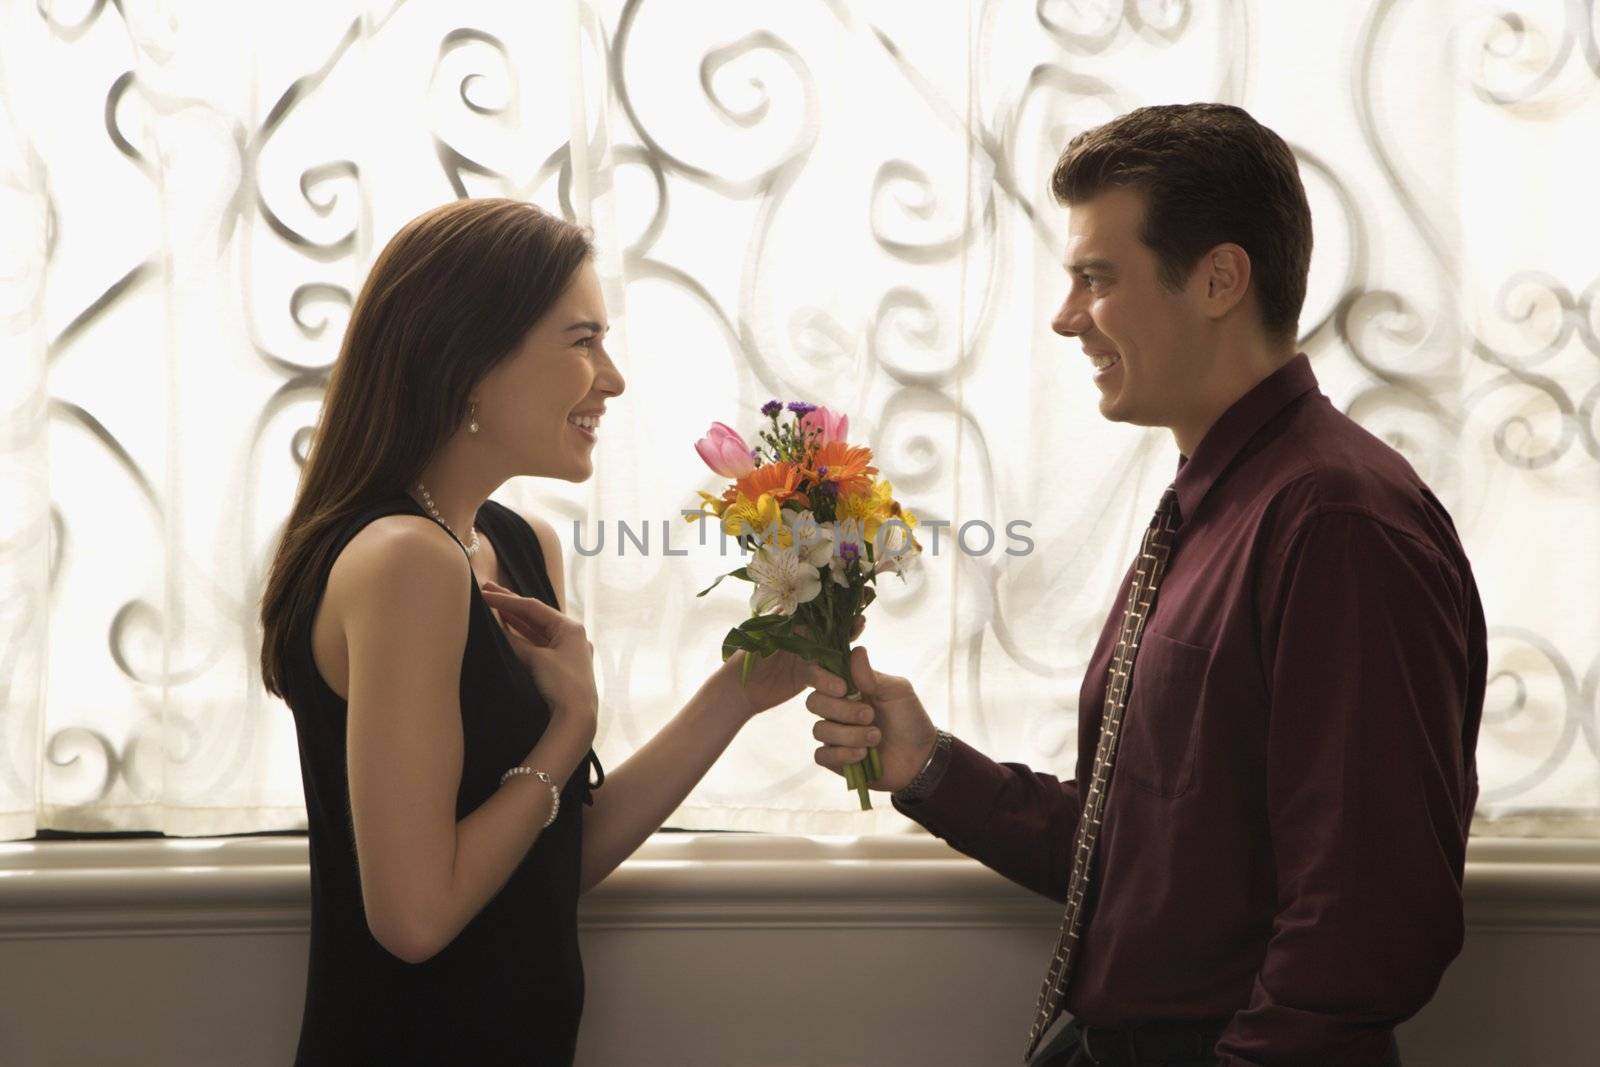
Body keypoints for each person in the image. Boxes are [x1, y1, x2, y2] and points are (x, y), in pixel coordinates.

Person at [804, 104, 1485, 1067]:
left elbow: (1367, 917)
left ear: (1218, 279)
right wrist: (928, 765)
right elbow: (1145, 854)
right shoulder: (1219, 502)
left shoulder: (1336, 524)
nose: (1065, 314)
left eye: (1096, 277)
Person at [258, 198, 831, 1065]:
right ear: (470, 360)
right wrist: (570, 727)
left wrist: (738, 693)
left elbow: (550, 855)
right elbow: (414, 919)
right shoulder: (405, 561)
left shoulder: (520, 545)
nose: (613, 377)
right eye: (582, 340)